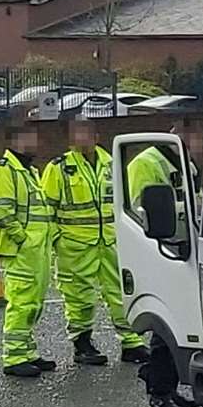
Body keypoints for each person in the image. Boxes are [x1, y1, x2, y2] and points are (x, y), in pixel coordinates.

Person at [42, 120, 147, 366]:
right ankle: (82, 344)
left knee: (121, 292)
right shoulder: (59, 168)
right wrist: (57, 239)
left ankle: (131, 342)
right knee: (80, 297)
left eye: (86, 134)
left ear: (96, 136)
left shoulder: (113, 165)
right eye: (77, 134)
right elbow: (48, 208)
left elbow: (126, 203)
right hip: (74, 245)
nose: (82, 139)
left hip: (110, 242)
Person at [127, 126, 203, 407]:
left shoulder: (184, 163)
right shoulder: (146, 163)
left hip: (185, 248)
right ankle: (158, 392)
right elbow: (141, 209)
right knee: (164, 328)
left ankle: (168, 388)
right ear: (181, 134)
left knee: (180, 326)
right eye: (200, 136)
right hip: (161, 249)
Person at [0, 123, 57, 378]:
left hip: (36, 250)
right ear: (14, 141)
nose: (35, 143)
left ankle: (27, 352)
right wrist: (22, 239)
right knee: (21, 303)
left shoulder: (29, 171)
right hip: (20, 251)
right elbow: (1, 211)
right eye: (30, 139)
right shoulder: (4, 171)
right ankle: (14, 357)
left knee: (34, 304)